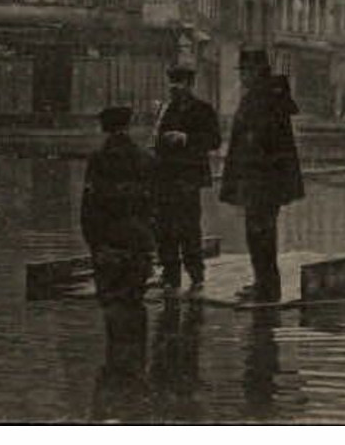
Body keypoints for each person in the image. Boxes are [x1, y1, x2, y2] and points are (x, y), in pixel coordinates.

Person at [219, 54, 304, 305]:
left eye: (245, 71)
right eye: (241, 71)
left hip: (262, 181)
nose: (242, 76)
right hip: (260, 180)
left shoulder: (264, 99)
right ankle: (263, 282)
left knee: (261, 233)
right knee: (258, 233)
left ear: (257, 71)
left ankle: (267, 287)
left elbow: (261, 143)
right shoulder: (265, 96)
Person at [151, 65, 222, 292]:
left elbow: (215, 140)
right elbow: (158, 139)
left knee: (189, 227)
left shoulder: (203, 109)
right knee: (164, 227)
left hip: (189, 177)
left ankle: (196, 274)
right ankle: (170, 274)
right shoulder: (166, 109)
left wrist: (186, 138)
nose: (174, 87)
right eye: (172, 83)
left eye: (179, 83)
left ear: (190, 85)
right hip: (165, 176)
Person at [81, 106, 157, 308]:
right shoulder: (146, 158)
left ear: (104, 128)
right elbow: (155, 205)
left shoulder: (98, 160)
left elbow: (89, 207)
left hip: (109, 241)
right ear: (128, 125)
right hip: (138, 242)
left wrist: (95, 244)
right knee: (135, 305)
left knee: (112, 306)